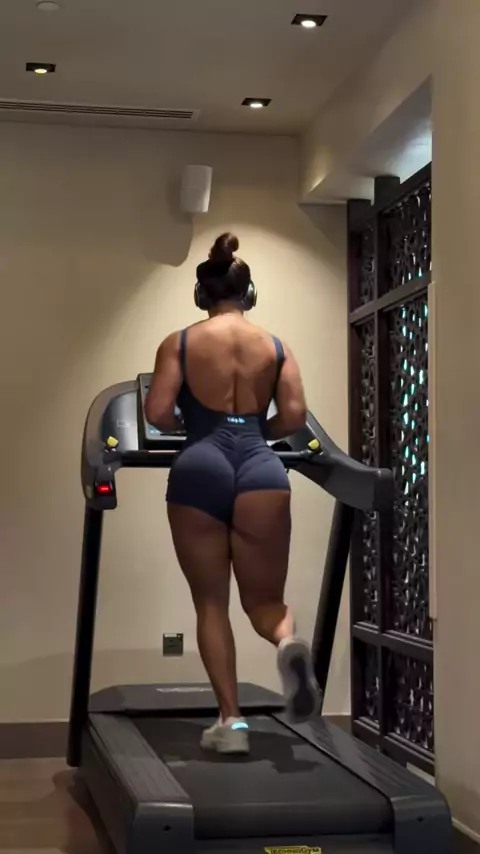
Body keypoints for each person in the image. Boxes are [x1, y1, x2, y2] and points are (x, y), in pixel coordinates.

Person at [145, 233, 321, 755]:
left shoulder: (180, 342)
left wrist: (190, 425)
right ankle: (288, 642)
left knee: (211, 602)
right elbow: (293, 416)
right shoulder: (276, 346)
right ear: (250, 295)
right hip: (262, 468)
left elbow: (157, 413)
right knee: (265, 603)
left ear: (202, 295)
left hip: (200, 464)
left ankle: (232, 724)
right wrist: (256, 432)